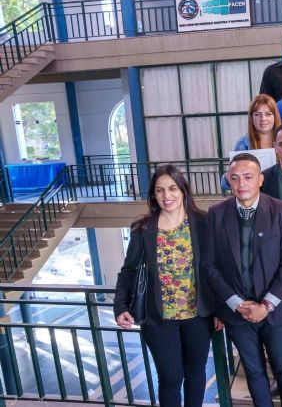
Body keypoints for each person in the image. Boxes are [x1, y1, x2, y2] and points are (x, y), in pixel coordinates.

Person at [114, 165, 221, 407]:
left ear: (183, 190)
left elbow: (216, 269)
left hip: (199, 315)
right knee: (170, 378)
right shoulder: (143, 228)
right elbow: (128, 271)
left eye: (172, 188)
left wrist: (221, 310)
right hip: (158, 318)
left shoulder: (204, 223)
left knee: (195, 375)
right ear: (153, 195)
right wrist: (120, 306)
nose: (166, 195)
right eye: (160, 190)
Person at [203, 153, 282, 407]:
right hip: (238, 313)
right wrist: (236, 304)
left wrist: (265, 305)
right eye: (234, 178)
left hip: (275, 312)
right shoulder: (216, 214)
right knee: (254, 371)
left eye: (247, 177)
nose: (241, 183)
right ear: (228, 182)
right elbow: (210, 266)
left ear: (260, 180)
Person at [221, 94, 281, 191]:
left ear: (275, 116)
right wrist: (227, 178)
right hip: (253, 198)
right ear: (251, 118)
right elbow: (226, 184)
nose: (263, 119)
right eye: (257, 114)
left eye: (268, 114)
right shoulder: (242, 145)